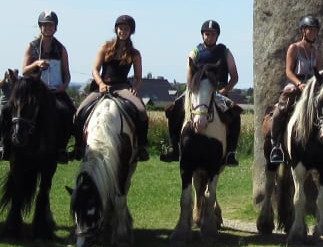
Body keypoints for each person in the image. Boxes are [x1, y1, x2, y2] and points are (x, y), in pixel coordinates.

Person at [268, 15, 323, 165]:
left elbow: (318, 75)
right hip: (295, 84)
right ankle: (276, 145)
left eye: (315, 30)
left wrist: (317, 86)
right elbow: (288, 71)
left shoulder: (317, 54)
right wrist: (299, 84)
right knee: (281, 108)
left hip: (312, 87)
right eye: (309, 30)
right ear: (303, 31)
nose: (312, 32)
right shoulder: (294, 48)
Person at [160, 19, 242, 166]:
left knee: (235, 113)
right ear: (202, 35)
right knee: (173, 110)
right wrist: (192, 91)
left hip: (218, 91)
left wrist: (224, 91)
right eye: (206, 34)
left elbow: (234, 77)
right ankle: (174, 148)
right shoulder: (195, 51)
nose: (209, 37)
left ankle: (230, 152)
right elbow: (189, 75)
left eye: (212, 34)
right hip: (197, 91)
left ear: (217, 36)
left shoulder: (225, 52)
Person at [73, 15, 150, 161]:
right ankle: (78, 146)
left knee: (141, 111)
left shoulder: (135, 54)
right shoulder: (105, 47)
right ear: (116, 29)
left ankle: (141, 146)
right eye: (121, 28)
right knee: (79, 111)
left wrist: (135, 88)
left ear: (131, 32)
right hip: (103, 86)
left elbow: (139, 77)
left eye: (126, 29)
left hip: (122, 87)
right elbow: (95, 69)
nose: (123, 31)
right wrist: (101, 84)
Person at [21, 11, 76, 163]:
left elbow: (67, 74)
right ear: (40, 27)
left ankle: (62, 148)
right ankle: (7, 145)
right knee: (12, 110)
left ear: (55, 28)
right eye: (45, 25)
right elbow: (24, 70)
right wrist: (36, 64)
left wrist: (64, 86)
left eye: (50, 25)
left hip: (55, 92)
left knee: (68, 112)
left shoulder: (61, 48)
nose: (48, 28)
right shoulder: (31, 47)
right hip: (35, 90)